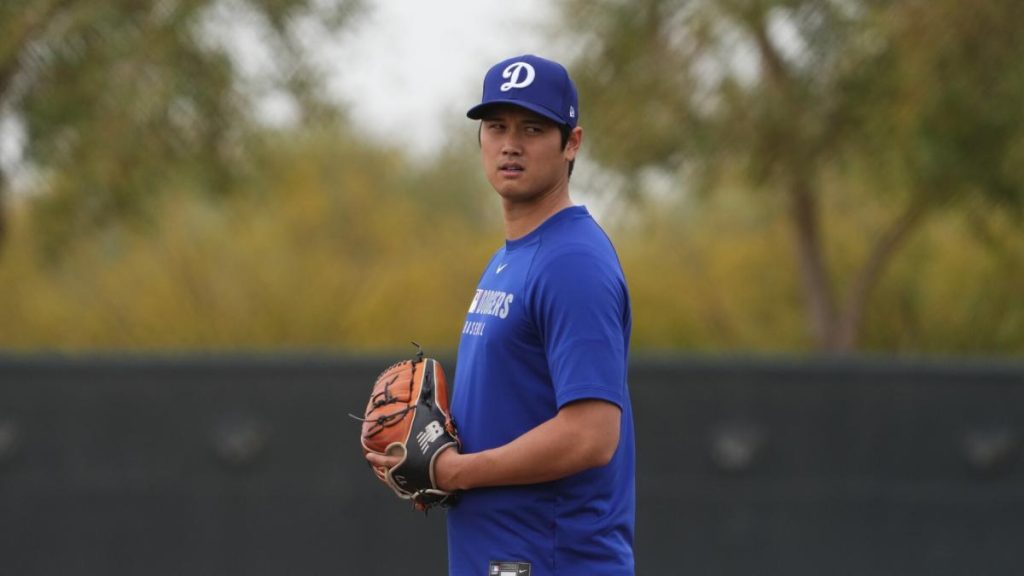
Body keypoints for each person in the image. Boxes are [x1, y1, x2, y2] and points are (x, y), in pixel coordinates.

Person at [369, 54, 635, 576]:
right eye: (497, 127)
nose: (511, 144)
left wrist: (458, 471)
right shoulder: (511, 257)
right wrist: (431, 456)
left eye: (533, 128)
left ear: (572, 143)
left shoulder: (573, 261)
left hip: (551, 560)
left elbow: (592, 434)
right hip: (501, 558)